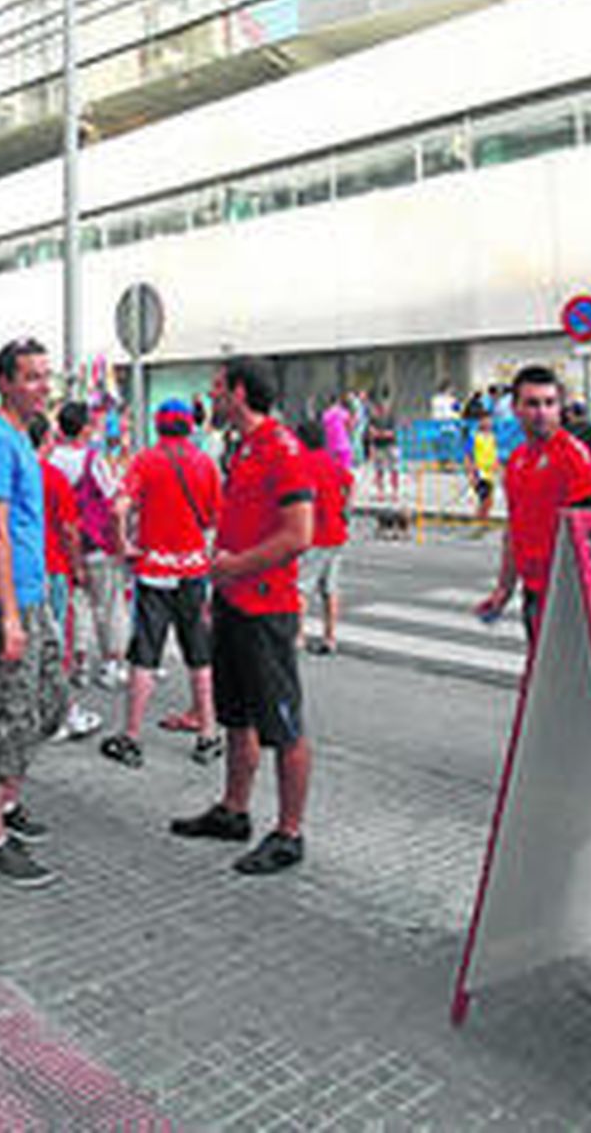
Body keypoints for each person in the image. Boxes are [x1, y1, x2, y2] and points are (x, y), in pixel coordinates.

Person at [171, 356, 315, 876]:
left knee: (284, 726)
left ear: (237, 392)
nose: (210, 398)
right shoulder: (244, 448)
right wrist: (222, 582)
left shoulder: (284, 450)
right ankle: (234, 811)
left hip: (266, 607)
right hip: (233, 602)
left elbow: (299, 535)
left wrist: (235, 567)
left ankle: (289, 832)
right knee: (237, 716)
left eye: (215, 388)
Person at [0, 339, 65, 888]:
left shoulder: (23, 436)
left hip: (31, 593)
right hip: (2, 600)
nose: (43, 386)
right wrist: (9, 617)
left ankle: (7, 798)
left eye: (46, 376)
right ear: (3, 381)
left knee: (49, 704)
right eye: (31, 377)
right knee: (3, 719)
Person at [99, 398, 223, 769]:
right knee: (199, 655)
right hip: (193, 571)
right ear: (190, 426)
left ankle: (132, 737)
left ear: (158, 425)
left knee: (145, 655)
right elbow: (217, 519)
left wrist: (124, 544)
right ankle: (208, 736)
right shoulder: (206, 464)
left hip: (154, 571)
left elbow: (118, 507)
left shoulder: (145, 460)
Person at [474, 365, 591, 647]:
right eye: (532, 404)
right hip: (534, 592)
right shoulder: (518, 460)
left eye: (549, 403)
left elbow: (587, 535)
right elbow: (514, 529)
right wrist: (504, 589)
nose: (542, 411)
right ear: (516, 409)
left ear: (560, 407)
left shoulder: (574, 457)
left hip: (568, 597)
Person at [27, 413, 101, 743]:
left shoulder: (12, 474)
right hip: (52, 568)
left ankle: (34, 713)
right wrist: (78, 568)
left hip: (20, 570)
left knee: (28, 645)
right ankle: (59, 715)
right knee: (54, 643)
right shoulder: (51, 477)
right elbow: (70, 531)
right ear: (46, 440)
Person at [48, 400, 128, 687]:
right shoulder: (92, 459)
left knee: (77, 604)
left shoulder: (52, 457)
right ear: (85, 428)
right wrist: (121, 542)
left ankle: (78, 663)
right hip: (96, 543)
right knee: (108, 605)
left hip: (63, 545)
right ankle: (111, 664)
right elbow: (113, 500)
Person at [294, 417, 352, 655]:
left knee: (301, 588)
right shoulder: (331, 462)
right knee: (330, 589)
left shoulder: (301, 464)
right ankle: (330, 637)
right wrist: (345, 509)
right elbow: (349, 482)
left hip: (313, 535)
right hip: (337, 534)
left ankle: (298, 636)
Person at [464, 411, 499, 527]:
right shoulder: (474, 436)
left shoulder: (492, 437)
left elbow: (494, 453)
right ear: (480, 422)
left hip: (490, 474)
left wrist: (496, 464)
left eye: (490, 420)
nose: (488, 423)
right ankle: (479, 522)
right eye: (485, 420)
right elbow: (468, 455)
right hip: (479, 473)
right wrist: (470, 473)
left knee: (489, 501)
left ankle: (482, 521)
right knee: (485, 499)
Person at [366, 387, 399, 500]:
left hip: (390, 445)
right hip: (378, 446)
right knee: (379, 470)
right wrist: (372, 445)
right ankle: (381, 492)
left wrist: (381, 434)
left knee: (393, 469)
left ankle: (394, 492)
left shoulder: (390, 416)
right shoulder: (373, 417)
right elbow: (371, 432)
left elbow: (392, 433)